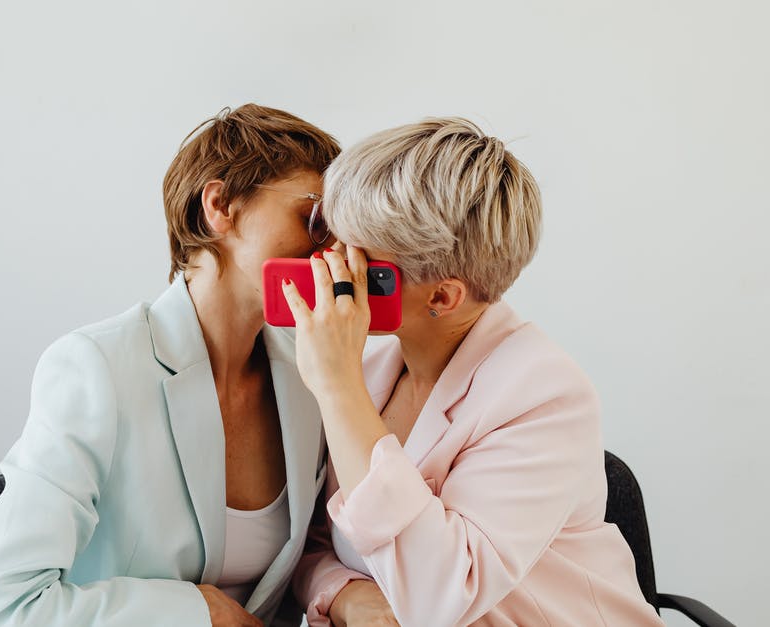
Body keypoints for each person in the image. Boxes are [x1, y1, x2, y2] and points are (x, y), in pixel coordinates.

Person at [0, 104, 339, 626]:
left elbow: (317, 551)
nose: (333, 249)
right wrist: (199, 614)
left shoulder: (311, 374)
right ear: (220, 205)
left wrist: (342, 593)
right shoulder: (97, 369)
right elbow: (1, 608)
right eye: (314, 219)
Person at [285, 118, 666, 626]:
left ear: (443, 296)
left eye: (358, 258)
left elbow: (444, 593)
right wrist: (345, 593)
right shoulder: (371, 368)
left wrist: (337, 389)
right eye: (331, 236)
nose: (328, 263)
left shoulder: (544, 396)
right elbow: (310, 540)